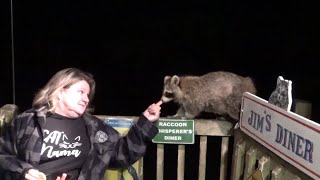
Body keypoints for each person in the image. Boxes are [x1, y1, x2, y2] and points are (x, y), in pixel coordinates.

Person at [0, 68, 162, 180]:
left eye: (88, 94)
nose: (86, 98)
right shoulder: (28, 120)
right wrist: (23, 172)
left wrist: (145, 122)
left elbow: (123, 153)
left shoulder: (95, 128)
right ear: (60, 91)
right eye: (81, 92)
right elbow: (3, 156)